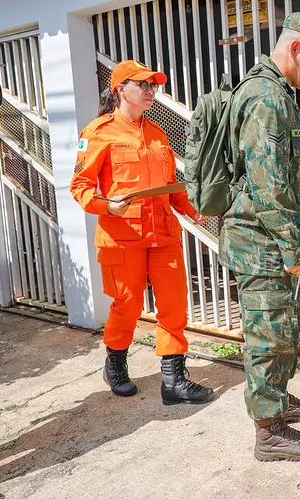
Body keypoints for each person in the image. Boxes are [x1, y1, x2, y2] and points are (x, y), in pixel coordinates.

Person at [219, 12, 300, 462]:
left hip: (267, 237)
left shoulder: (276, 93)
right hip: (261, 241)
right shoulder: (266, 98)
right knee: (268, 335)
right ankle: (268, 433)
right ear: (295, 48)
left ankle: (278, 403)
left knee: (282, 328)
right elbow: (268, 183)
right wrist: (293, 246)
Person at [70, 60, 213, 405]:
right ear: (121, 89)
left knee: (174, 306)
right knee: (127, 305)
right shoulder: (97, 133)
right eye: (144, 85)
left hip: (162, 235)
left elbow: (169, 187)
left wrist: (194, 211)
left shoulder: (158, 134)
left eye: (153, 86)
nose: (151, 92)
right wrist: (107, 205)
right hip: (122, 236)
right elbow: (80, 186)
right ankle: (115, 364)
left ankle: (174, 380)